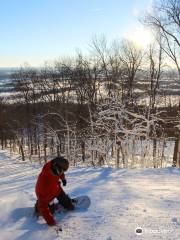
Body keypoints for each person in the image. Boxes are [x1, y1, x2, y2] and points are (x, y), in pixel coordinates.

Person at [35, 156, 74, 226]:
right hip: (47, 196)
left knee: (69, 206)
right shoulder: (43, 185)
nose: (62, 172)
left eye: (64, 171)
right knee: (50, 211)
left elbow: (61, 173)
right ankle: (37, 208)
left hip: (56, 189)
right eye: (62, 171)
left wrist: (63, 179)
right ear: (57, 168)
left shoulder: (55, 167)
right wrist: (51, 222)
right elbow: (43, 206)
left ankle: (66, 202)